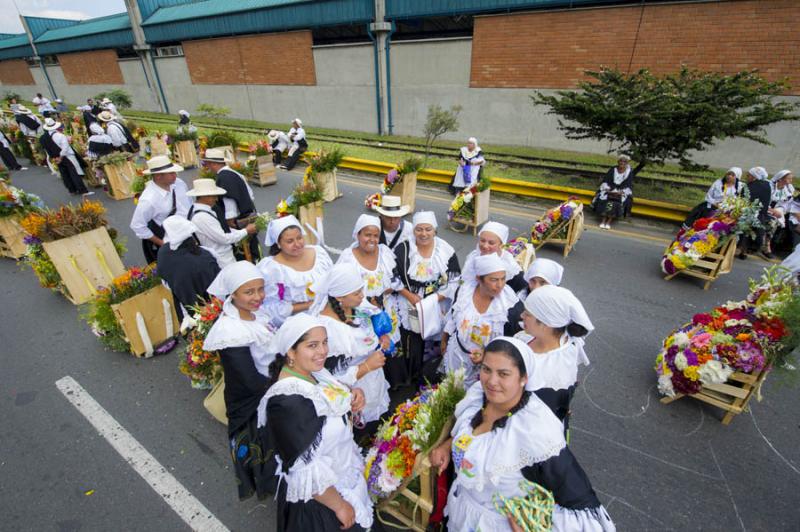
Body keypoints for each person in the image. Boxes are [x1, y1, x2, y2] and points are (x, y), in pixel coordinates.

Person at [428, 337, 615, 532]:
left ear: (524, 378)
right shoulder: (477, 398)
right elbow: (473, 437)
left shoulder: (535, 431)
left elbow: (583, 505)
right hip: (461, 515)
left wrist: (537, 524)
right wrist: (447, 446)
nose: (491, 381)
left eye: (504, 374)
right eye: (486, 369)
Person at [258, 314, 373, 531]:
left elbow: (333, 398)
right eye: (312, 345)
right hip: (323, 503)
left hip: (343, 475)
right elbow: (303, 466)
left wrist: (353, 395)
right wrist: (339, 506)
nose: (323, 351)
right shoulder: (287, 402)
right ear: (291, 352)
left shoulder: (314, 373)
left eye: (325, 342)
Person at [203, 261, 277, 501]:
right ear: (233, 294)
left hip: (272, 385)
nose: (257, 297)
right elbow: (248, 379)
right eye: (249, 292)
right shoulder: (230, 330)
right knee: (265, 448)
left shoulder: (257, 313)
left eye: (260, 289)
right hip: (255, 399)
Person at [309, 263, 389, 427]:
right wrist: (366, 366)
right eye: (357, 292)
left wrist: (382, 337)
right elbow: (329, 379)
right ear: (339, 297)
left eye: (361, 289)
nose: (362, 295)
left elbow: (370, 320)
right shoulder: (326, 331)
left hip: (374, 380)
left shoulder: (355, 304)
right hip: (355, 394)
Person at [337, 214, 405, 389]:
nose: (372, 239)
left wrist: (381, 296)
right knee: (368, 351)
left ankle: (392, 383)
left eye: (376, 235)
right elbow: (339, 287)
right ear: (358, 234)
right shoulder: (347, 257)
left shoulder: (385, 253)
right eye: (367, 234)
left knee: (388, 346)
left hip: (385, 311)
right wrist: (367, 301)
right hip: (359, 314)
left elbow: (396, 280)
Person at [394, 211, 461, 386]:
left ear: (435, 231)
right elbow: (393, 279)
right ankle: (412, 375)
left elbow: (454, 280)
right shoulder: (404, 250)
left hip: (437, 301)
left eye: (428, 229)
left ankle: (430, 376)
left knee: (433, 338)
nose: (423, 234)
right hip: (411, 301)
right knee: (412, 338)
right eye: (419, 229)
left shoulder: (446, 250)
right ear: (413, 231)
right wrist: (411, 297)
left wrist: (435, 299)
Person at [516, 285, 594, 432]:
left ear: (545, 323)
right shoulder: (526, 337)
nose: (521, 316)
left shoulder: (552, 372)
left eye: (527, 314)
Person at [442, 254, 524, 386]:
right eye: (494, 280)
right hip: (457, 355)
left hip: (488, 369)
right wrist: (444, 338)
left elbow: (514, 343)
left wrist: (486, 354)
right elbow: (453, 316)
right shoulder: (464, 292)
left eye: (503, 279)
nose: (500, 285)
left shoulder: (511, 307)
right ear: (479, 278)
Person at [257, 215, 333, 327]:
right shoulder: (272, 269)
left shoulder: (319, 253)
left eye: (299, 238)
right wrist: (310, 305)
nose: (297, 244)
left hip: (329, 312)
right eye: (290, 241)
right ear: (278, 244)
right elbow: (270, 307)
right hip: (296, 322)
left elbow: (334, 280)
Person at [202, 147, 261, 261]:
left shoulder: (223, 177)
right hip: (247, 214)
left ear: (212, 164)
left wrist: (229, 220)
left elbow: (229, 200)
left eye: (207, 164)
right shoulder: (234, 173)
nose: (207, 167)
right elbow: (251, 194)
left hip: (238, 220)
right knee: (251, 246)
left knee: (243, 250)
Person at [130, 155, 191, 263]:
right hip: (172, 240)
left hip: (190, 232)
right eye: (171, 173)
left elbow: (189, 203)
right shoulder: (148, 200)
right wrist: (162, 243)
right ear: (158, 176)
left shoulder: (179, 183)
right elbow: (137, 226)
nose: (175, 175)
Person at [187, 178, 256, 269]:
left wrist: (237, 231)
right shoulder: (202, 217)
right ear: (205, 196)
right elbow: (223, 238)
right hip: (221, 258)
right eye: (213, 196)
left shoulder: (200, 210)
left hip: (221, 255)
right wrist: (245, 231)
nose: (216, 199)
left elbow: (220, 228)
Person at [156, 215, 221, 310]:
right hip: (217, 304)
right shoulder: (206, 253)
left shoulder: (163, 255)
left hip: (187, 309)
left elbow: (166, 283)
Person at [460, 221, 526, 293]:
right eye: (482, 240)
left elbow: (522, 292)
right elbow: (463, 279)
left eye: (491, 243)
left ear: (501, 245)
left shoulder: (510, 268)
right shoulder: (473, 256)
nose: (485, 246)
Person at [41, 118, 91, 196]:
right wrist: (60, 156)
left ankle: (72, 190)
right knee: (75, 173)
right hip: (67, 156)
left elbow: (46, 149)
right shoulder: (60, 135)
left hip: (56, 157)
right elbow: (65, 148)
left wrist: (55, 157)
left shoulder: (44, 137)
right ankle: (82, 190)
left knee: (65, 174)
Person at [593, 154, 639, 229]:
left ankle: (608, 222)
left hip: (621, 192)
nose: (622, 163)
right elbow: (606, 180)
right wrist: (608, 189)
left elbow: (628, 185)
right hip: (610, 190)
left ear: (627, 163)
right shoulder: (613, 169)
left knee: (615, 203)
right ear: (618, 162)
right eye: (621, 161)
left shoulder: (629, 172)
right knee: (607, 201)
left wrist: (621, 192)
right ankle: (603, 221)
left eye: (624, 162)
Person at [738, 166, 772, 260]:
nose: (747, 177)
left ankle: (743, 251)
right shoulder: (767, 185)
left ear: (754, 177)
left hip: (749, 213)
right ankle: (747, 250)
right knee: (751, 232)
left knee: (746, 232)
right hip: (760, 214)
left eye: (749, 175)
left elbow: (743, 198)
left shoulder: (751, 186)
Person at [762, 169, 795, 259]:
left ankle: (766, 245)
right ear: (780, 179)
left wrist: (780, 211)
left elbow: (787, 205)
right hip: (763, 208)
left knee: (775, 221)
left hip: (777, 211)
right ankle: (766, 247)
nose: (790, 181)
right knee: (772, 222)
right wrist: (771, 210)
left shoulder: (788, 189)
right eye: (789, 179)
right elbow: (763, 200)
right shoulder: (770, 186)